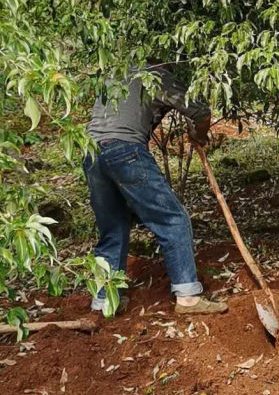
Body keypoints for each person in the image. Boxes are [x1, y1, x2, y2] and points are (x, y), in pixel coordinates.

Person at [84, 65, 228, 317]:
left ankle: (105, 301)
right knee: (172, 219)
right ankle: (188, 298)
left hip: (90, 153)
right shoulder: (156, 75)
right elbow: (200, 110)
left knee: (113, 226)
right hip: (126, 150)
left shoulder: (117, 73)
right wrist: (199, 135)